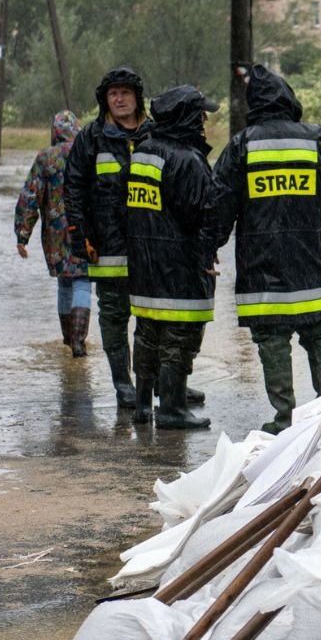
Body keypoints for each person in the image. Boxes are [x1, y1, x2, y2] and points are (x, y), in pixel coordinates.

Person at [212, 64, 321, 433]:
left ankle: (285, 417)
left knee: (272, 340)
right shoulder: (318, 140)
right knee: (320, 333)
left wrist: (210, 246)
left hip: (262, 262)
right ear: (289, 98)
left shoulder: (242, 145)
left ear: (253, 104)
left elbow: (220, 203)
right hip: (311, 257)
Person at [126, 85, 222, 429]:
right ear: (186, 117)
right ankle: (172, 409)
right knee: (178, 339)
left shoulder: (144, 151)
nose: (204, 122)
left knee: (147, 334)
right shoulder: (187, 160)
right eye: (200, 115)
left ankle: (142, 405)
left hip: (144, 262)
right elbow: (201, 215)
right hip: (178, 267)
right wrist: (208, 253)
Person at [63, 66, 147, 407]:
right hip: (108, 249)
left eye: (126, 92)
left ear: (137, 96)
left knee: (153, 321)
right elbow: (74, 189)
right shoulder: (91, 137)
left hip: (150, 249)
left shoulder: (154, 134)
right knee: (113, 318)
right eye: (114, 94)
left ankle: (153, 385)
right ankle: (123, 386)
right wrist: (79, 234)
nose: (120, 99)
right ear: (105, 100)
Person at [14, 110, 91, 355]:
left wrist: (22, 234)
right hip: (85, 231)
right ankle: (79, 341)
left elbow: (29, 197)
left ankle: (68, 339)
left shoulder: (45, 158)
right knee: (83, 282)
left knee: (64, 285)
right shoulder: (88, 153)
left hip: (55, 235)